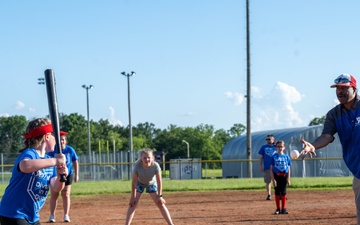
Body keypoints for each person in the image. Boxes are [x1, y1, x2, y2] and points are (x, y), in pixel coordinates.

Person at [300, 73, 360, 224]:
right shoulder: (334, 114)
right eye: (338, 88)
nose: (340, 91)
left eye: (344, 88)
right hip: (358, 171)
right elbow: (326, 136)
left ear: (354, 88)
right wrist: (312, 145)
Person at [0, 118, 68, 225]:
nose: (57, 140)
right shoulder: (30, 153)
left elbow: (56, 187)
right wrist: (55, 160)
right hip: (13, 212)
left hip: (32, 215)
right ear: (46, 136)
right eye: (54, 136)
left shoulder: (48, 160)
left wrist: (61, 177)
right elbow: (25, 166)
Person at [125, 148, 174, 225]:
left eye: (149, 157)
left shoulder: (155, 165)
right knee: (133, 203)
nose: (147, 159)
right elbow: (134, 182)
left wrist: (159, 196)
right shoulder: (137, 166)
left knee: (160, 203)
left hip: (151, 184)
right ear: (141, 158)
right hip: (139, 183)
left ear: (152, 158)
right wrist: (133, 196)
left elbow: (159, 181)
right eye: (144, 158)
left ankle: (171, 224)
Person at [48, 131, 79, 223]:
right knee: (54, 195)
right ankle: (52, 215)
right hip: (54, 175)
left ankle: (66, 215)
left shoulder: (70, 150)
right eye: (59, 139)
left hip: (67, 175)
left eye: (62, 139)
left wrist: (77, 174)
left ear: (65, 141)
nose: (61, 141)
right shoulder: (52, 150)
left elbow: (75, 162)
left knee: (65, 194)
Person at [270, 140, 292, 215]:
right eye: (278, 146)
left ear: (284, 147)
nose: (280, 148)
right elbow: (271, 169)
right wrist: (273, 180)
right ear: (276, 147)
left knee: (283, 192)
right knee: (277, 192)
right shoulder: (274, 157)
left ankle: (284, 209)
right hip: (277, 176)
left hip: (284, 176)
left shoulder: (286, 157)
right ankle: (277, 209)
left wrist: (288, 179)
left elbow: (288, 168)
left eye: (281, 146)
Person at [258, 134, 277, 200]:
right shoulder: (264, 147)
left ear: (273, 140)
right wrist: (260, 166)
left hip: (276, 167)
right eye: (267, 139)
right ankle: (269, 194)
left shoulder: (276, 147)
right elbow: (260, 157)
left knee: (277, 181)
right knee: (268, 181)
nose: (268, 140)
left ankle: (278, 193)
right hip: (267, 167)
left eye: (269, 139)